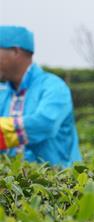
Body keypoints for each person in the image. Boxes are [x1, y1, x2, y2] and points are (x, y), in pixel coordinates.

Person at [0, 26, 81, 167]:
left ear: (15, 51)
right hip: (15, 182)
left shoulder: (53, 87)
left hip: (58, 182)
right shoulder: (5, 92)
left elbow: (45, 123)